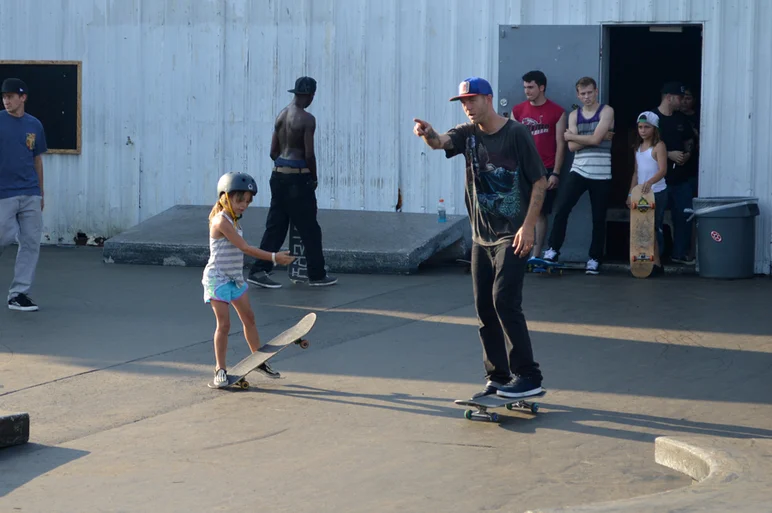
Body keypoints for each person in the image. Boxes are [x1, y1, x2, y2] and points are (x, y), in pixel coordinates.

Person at [413, 76, 548, 399]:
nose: (468, 107)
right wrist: (428, 135)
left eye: (472, 100)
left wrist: (528, 226)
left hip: (511, 235)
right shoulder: (467, 134)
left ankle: (528, 375)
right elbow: (441, 142)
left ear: (488, 99)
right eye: (463, 102)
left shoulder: (516, 134)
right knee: (484, 308)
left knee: (504, 301)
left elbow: (540, 182)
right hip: (481, 236)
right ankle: (499, 376)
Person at [203, 172, 295, 388]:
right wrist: (274, 257)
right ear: (226, 197)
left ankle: (258, 360)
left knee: (249, 319)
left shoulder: (235, 222)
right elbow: (244, 248)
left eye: (247, 201)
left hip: (234, 279)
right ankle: (220, 369)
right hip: (217, 280)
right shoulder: (221, 221)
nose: (244, 205)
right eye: (240, 200)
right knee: (224, 325)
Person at [247, 76, 337, 288]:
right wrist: (313, 177)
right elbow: (309, 154)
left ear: (295, 93)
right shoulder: (307, 119)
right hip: (298, 178)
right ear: (310, 95)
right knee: (310, 229)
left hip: (278, 176)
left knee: (275, 226)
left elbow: (272, 151)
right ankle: (316, 274)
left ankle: (259, 270)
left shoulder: (281, 114)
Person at [542, 77, 615, 275]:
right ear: (578, 95)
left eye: (590, 92)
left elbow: (595, 139)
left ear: (596, 91)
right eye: (582, 94)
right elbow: (573, 147)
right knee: (562, 209)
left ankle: (594, 259)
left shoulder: (607, 111)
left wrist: (573, 136)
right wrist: (590, 140)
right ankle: (553, 250)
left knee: (598, 218)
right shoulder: (574, 114)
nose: (586, 97)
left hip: (601, 173)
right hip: (579, 170)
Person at [0, 78, 47, 311]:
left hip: (30, 192)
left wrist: (41, 192)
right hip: (3, 193)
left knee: (30, 242)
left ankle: (18, 294)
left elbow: (37, 159)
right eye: (4, 97)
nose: (6, 100)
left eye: (11, 96)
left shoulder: (34, 125)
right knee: (4, 236)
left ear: (23, 98)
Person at [510, 70, 566, 259]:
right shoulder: (517, 111)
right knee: (519, 212)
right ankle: (518, 252)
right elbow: (510, 143)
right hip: (521, 169)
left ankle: (536, 256)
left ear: (542, 87)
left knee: (540, 213)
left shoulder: (557, 112)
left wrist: (556, 173)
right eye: (525, 87)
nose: (527, 91)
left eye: (531, 87)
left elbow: (561, 144)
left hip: (545, 170)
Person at [652, 81, 695, 265]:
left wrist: (688, 154)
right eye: (679, 97)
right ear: (669, 97)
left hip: (681, 178)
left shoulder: (681, 119)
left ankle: (679, 254)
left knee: (684, 215)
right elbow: (643, 145)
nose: (682, 100)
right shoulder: (651, 118)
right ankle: (657, 256)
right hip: (659, 178)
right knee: (655, 218)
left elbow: (689, 139)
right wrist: (668, 154)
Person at [628, 111, 668, 275]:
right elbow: (636, 172)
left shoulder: (659, 146)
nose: (642, 130)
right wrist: (630, 193)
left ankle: (657, 263)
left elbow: (663, 170)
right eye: (640, 127)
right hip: (641, 194)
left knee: (653, 227)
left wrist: (650, 182)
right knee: (641, 228)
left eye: (646, 127)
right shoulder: (637, 148)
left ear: (654, 128)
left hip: (656, 192)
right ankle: (644, 263)